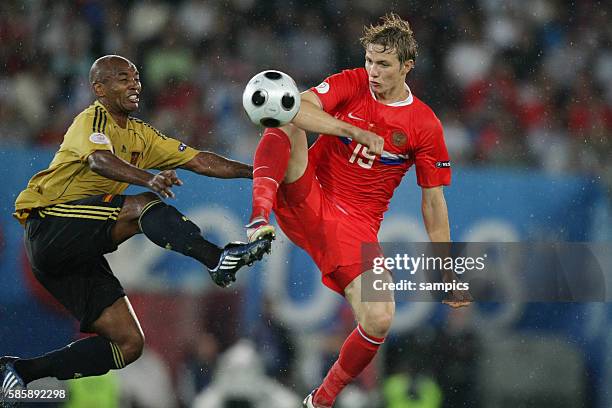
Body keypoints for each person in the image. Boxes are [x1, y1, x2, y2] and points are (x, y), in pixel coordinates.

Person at [0, 55, 272, 398]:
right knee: (143, 204)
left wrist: (258, 172)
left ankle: (20, 371)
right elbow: (99, 160)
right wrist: (149, 177)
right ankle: (216, 259)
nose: (134, 84)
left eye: (136, 77)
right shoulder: (91, 119)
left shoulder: (143, 135)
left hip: (74, 256)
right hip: (51, 223)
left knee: (128, 344)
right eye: (122, 78)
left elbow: (200, 159)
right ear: (99, 89)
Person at [244, 14, 472, 407]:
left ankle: (321, 400)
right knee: (284, 111)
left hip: (355, 230)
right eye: (369, 60)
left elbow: (433, 202)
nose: (373, 71)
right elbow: (297, 109)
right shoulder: (352, 83)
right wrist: (350, 129)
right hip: (308, 194)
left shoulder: (424, 125)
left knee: (381, 316)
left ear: (407, 67)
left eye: (383, 64)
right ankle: (259, 218)